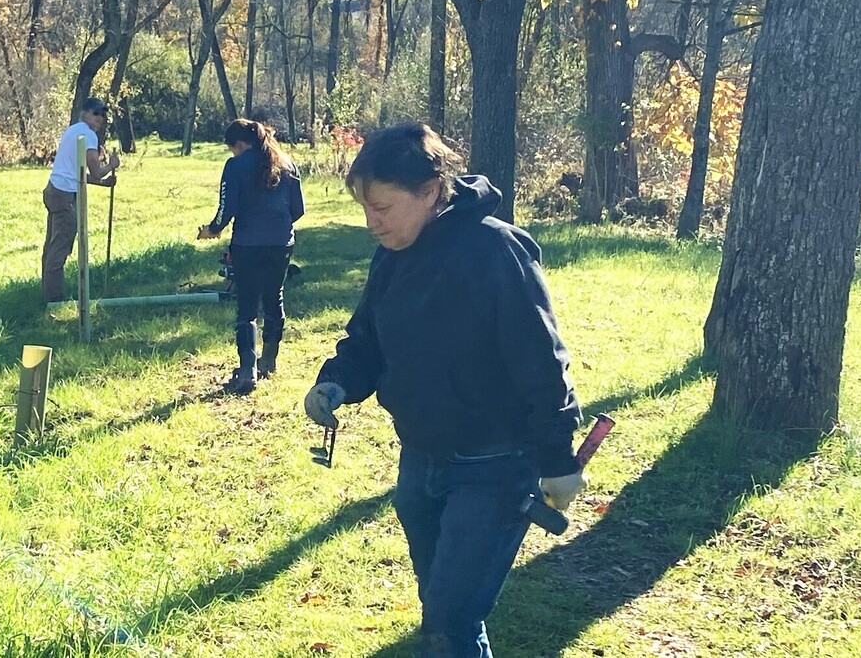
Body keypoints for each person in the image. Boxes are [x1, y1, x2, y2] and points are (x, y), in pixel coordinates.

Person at [301, 123, 585, 657]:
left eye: (382, 207)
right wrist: (335, 380)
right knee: (441, 608)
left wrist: (557, 457)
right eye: (365, 208)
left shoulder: (496, 252)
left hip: (496, 467)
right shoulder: (392, 253)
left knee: (451, 621)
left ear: (429, 192)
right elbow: (367, 338)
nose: (371, 223)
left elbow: (541, 362)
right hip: (420, 461)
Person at [197, 119, 304, 394]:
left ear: (240, 144)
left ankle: (247, 369)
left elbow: (226, 206)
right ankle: (269, 360)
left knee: (246, 304)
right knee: (274, 296)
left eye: (232, 148)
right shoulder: (288, 164)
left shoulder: (235, 166)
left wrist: (213, 229)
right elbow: (298, 209)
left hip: (247, 242)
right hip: (281, 241)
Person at [41, 97, 122, 304]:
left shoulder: (73, 131)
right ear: (85, 112)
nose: (100, 118)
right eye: (96, 113)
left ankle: (48, 294)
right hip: (65, 195)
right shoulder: (88, 135)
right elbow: (95, 171)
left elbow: (75, 172)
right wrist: (111, 164)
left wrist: (103, 183)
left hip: (54, 190)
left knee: (51, 246)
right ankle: (55, 300)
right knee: (60, 248)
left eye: (103, 115)